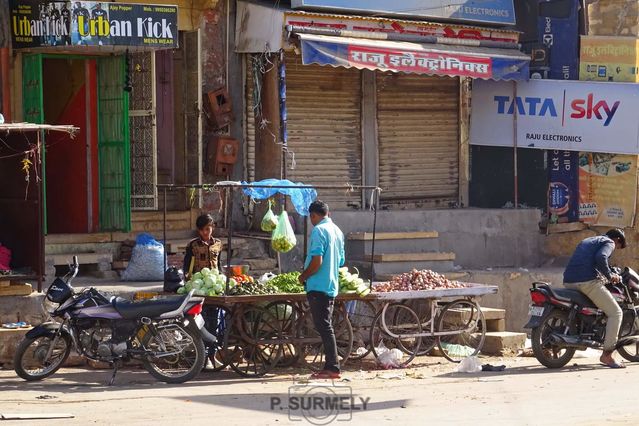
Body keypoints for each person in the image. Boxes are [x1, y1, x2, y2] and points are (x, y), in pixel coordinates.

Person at [563, 228, 627, 369]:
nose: (614, 248)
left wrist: (605, 271)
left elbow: (588, 260)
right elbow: (601, 257)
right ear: (617, 240)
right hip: (586, 281)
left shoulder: (589, 240)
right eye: (617, 247)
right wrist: (610, 276)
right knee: (616, 313)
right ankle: (607, 355)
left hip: (568, 280)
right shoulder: (609, 242)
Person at [299, 200, 345, 379]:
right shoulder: (337, 231)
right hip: (331, 284)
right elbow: (341, 261)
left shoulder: (319, 230)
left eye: (311, 217)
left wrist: (304, 276)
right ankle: (331, 366)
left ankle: (333, 367)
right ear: (329, 213)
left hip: (318, 285)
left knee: (325, 327)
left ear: (314, 215)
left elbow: (316, 261)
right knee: (326, 326)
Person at [183, 214, 223, 280]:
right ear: (198, 230)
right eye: (201, 230)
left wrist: (221, 275)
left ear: (213, 227)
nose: (205, 232)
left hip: (214, 279)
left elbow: (218, 263)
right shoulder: (192, 245)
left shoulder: (218, 244)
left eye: (207, 229)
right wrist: (187, 276)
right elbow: (187, 264)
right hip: (198, 281)